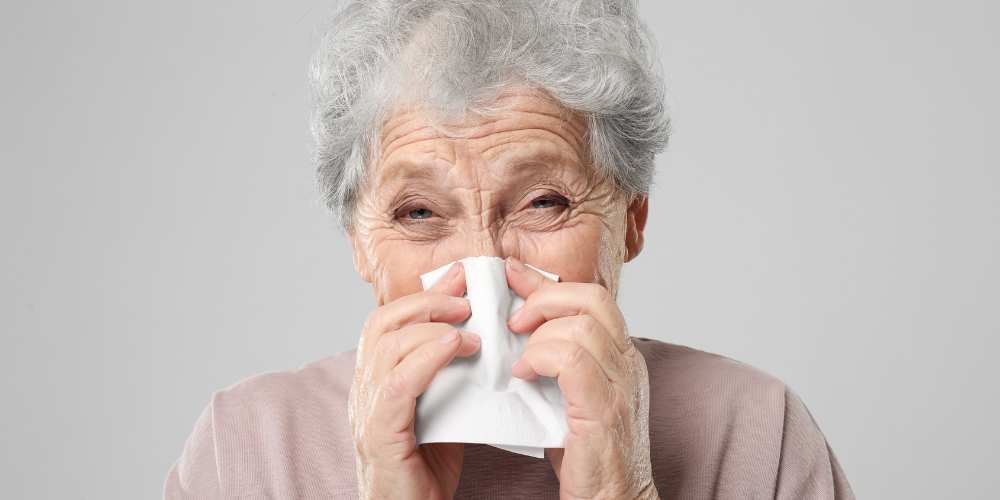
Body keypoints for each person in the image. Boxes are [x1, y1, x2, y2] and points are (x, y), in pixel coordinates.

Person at [165, 0, 854, 498]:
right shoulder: (247, 450)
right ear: (360, 246)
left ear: (632, 219)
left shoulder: (756, 434)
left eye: (544, 202)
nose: (483, 268)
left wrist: (624, 493)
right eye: (420, 212)